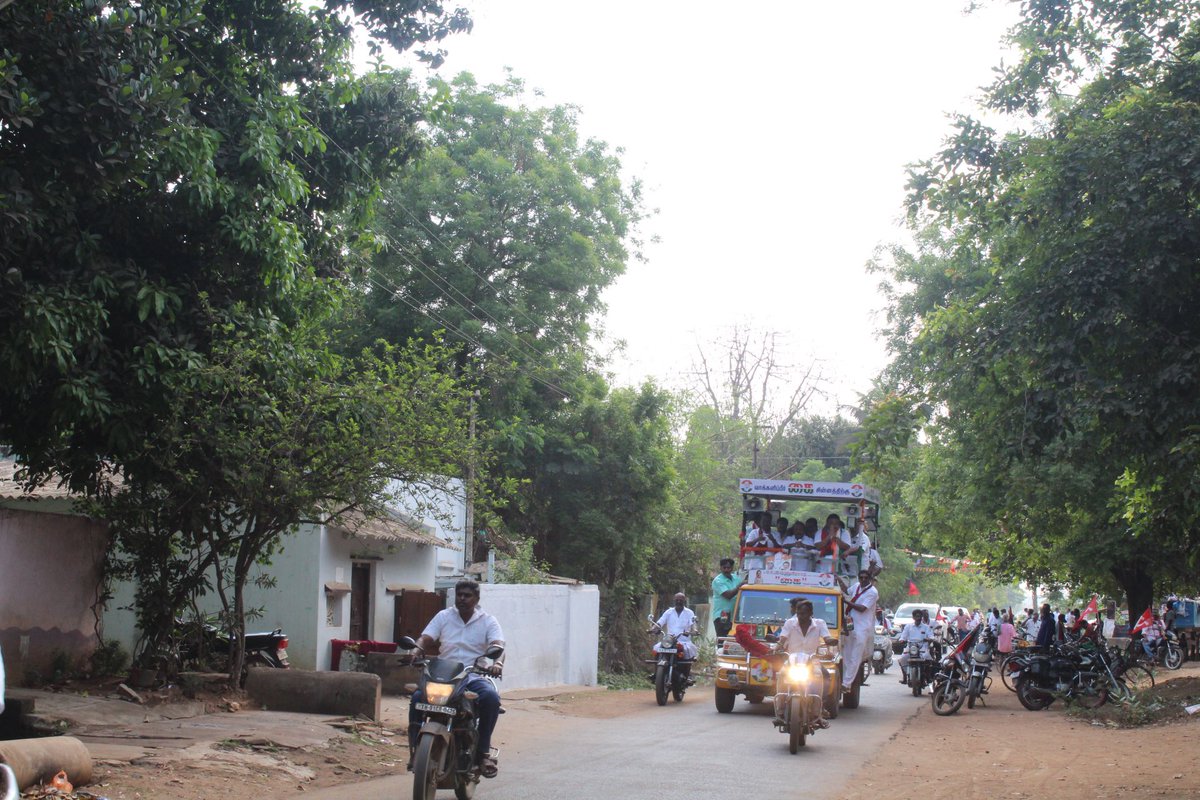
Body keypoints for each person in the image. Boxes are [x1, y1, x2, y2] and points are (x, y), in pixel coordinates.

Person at [408, 580, 505, 778]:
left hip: (472, 674)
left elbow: (499, 646)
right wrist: (416, 650)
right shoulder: (444, 616)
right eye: (459, 594)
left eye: (467, 595)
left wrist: (497, 664)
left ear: (476, 599)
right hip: (443, 675)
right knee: (418, 698)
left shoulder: (488, 621)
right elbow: (426, 637)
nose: (462, 598)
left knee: (491, 699)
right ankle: (416, 750)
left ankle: (483, 753)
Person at [774, 598, 837, 727]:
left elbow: (827, 637)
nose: (800, 616)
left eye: (803, 614)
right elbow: (782, 639)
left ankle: (817, 713)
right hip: (792, 659)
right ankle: (780, 712)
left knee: (820, 677)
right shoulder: (790, 623)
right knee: (781, 675)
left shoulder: (820, 624)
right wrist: (776, 647)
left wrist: (830, 641)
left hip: (811, 660)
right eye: (798, 613)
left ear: (810, 614)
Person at [836, 568, 879, 693]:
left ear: (870, 579)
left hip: (862, 628)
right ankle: (844, 682)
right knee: (846, 655)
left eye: (866, 578)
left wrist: (846, 602)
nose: (863, 580)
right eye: (861, 578)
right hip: (850, 625)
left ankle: (847, 684)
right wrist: (838, 579)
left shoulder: (873, 592)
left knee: (855, 657)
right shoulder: (856, 586)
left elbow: (862, 608)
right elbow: (846, 590)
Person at [656, 593, 699, 677]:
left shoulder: (689, 613)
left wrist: (694, 631)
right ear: (674, 601)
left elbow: (693, 625)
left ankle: (687, 673)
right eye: (677, 600)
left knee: (687, 652)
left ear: (684, 601)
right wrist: (653, 628)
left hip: (684, 641)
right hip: (669, 641)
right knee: (657, 650)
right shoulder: (668, 612)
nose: (678, 602)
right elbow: (659, 622)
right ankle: (656, 673)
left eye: (681, 600)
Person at [896, 607, 935, 684]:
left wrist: (929, 639)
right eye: (916, 616)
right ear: (913, 617)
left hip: (922, 648)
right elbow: (903, 636)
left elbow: (931, 636)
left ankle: (927, 676)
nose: (918, 618)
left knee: (928, 660)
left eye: (920, 616)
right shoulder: (908, 626)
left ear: (922, 617)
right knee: (902, 659)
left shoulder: (926, 627)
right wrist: (902, 640)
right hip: (911, 648)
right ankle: (905, 677)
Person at [710, 558, 743, 638]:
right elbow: (728, 595)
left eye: (728, 568)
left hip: (735, 617)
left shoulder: (736, 578)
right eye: (724, 568)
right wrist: (739, 586)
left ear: (732, 568)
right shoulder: (718, 581)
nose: (726, 570)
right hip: (722, 617)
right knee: (723, 641)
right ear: (720, 568)